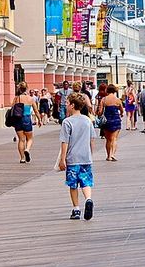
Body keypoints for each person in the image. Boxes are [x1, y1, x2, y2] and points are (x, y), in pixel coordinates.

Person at [59, 92, 97, 220]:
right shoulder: (87, 120)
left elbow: (65, 142)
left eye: (67, 103)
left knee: (73, 184)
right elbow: (92, 140)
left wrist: (62, 159)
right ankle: (89, 199)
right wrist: (90, 154)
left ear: (73, 105)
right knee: (86, 182)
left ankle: (76, 209)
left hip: (72, 158)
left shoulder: (67, 122)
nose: (66, 105)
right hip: (86, 157)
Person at [12, 82, 41, 164]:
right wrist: (39, 120)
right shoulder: (30, 98)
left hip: (18, 119)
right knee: (30, 138)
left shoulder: (17, 98)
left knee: (21, 139)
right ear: (26, 88)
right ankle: (27, 149)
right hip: (27, 119)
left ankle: (22, 158)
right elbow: (36, 110)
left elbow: (12, 109)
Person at [97, 84, 124, 161]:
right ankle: (112, 154)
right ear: (115, 91)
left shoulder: (104, 99)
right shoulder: (117, 100)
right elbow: (121, 110)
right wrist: (121, 114)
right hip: (116, 120)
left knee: (108, 139)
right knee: (114, 138)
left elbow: (100, 112)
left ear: (107, 90)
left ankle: (108, 156)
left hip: (106, 121)